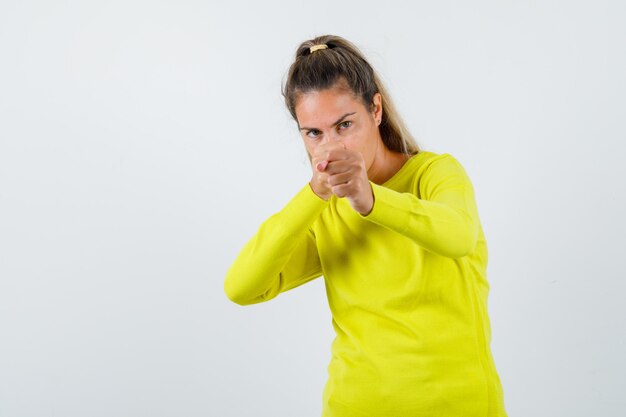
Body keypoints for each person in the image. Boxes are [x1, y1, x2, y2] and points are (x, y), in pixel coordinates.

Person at [224, 34, 508, 417]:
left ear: (375, 109)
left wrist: (372, 201)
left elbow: (457, 236)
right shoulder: (322, 210)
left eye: (344, 125)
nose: (331, 146)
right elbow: (242, 287)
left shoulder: (436, 173)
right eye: (314, 133)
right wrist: (313, 194)